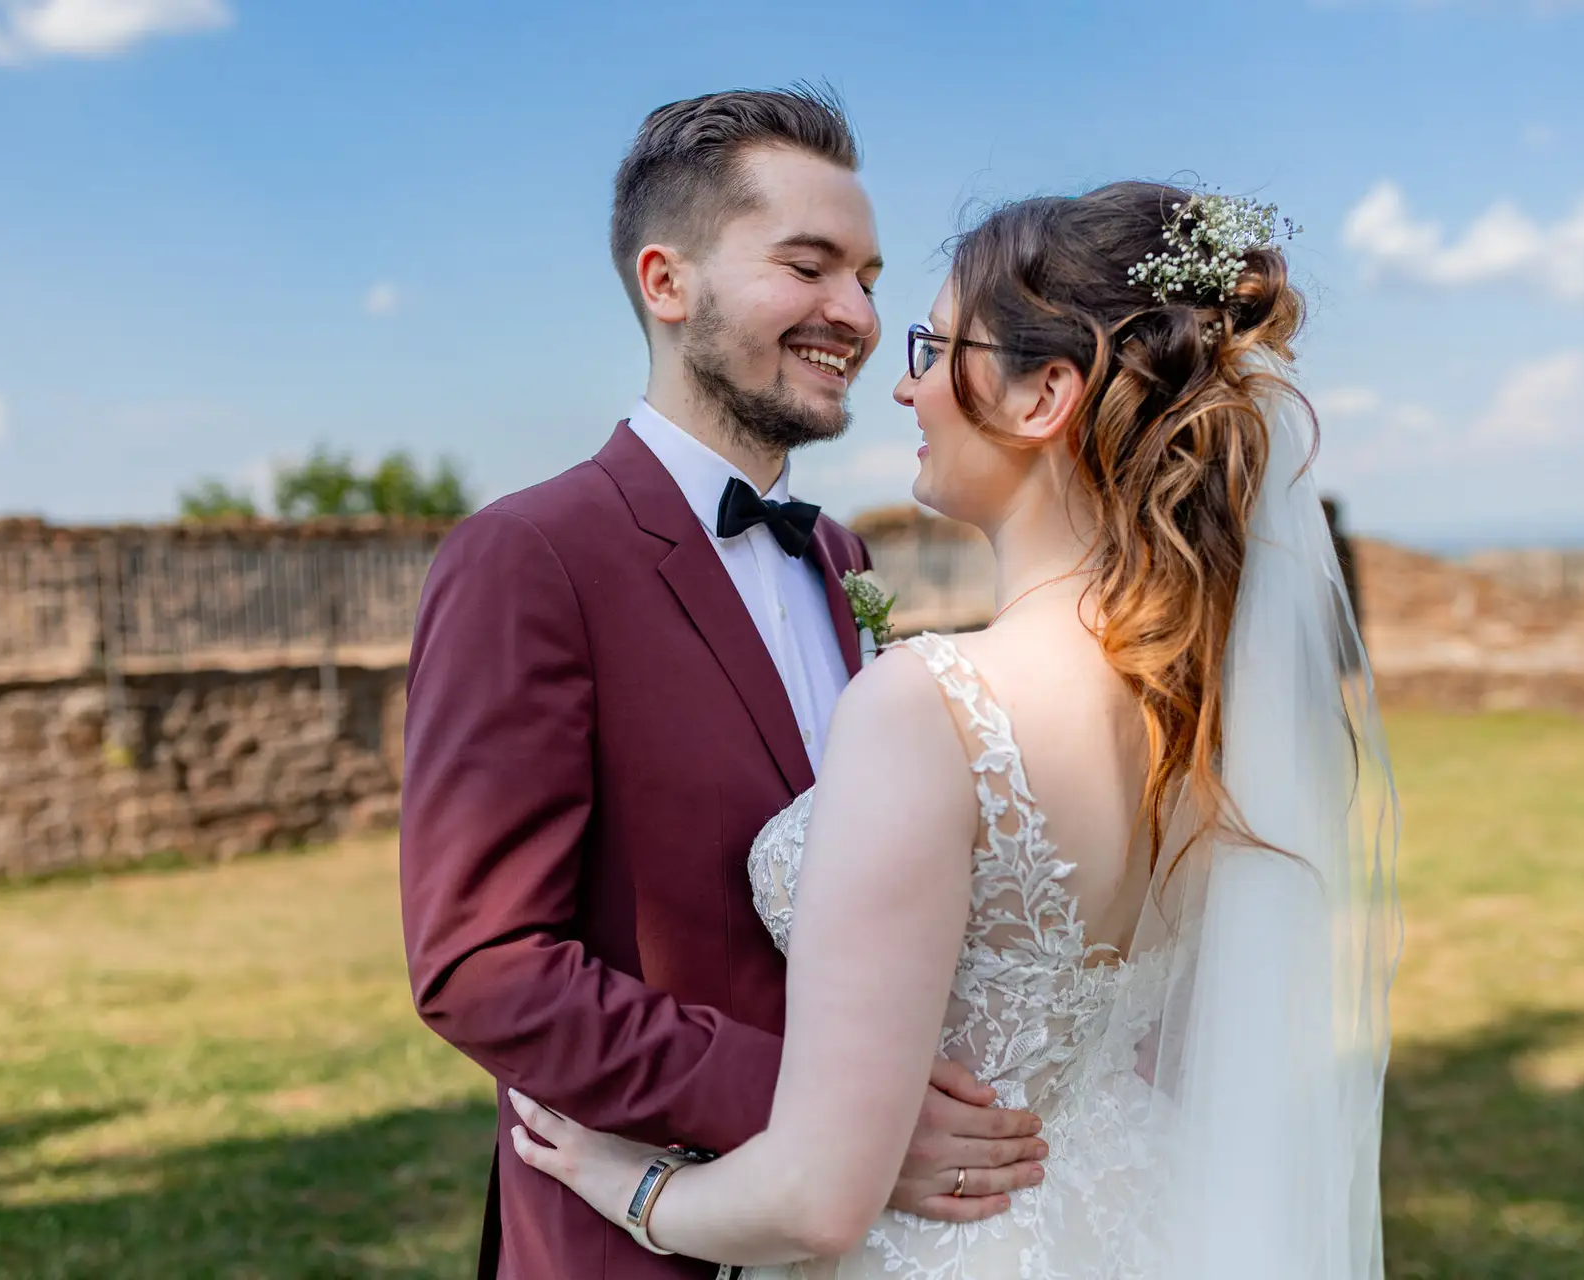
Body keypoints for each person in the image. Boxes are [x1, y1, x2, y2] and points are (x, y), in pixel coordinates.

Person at [504, 181, 1402, 1279]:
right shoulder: (1205, 709)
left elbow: (819, 1199)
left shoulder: (932, 704)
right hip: (1134, 1217)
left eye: (937, 347)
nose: (905, 384)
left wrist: (627, 1183)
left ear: (1043, 397)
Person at [398, 87, 1047, 1280]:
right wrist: (826, 1107)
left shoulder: (839, 556)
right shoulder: (530, 557)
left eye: (866, 274)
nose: (854, 313)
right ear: (667, 280)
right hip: (638, 1234)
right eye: (808, 266)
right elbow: (482, 966)